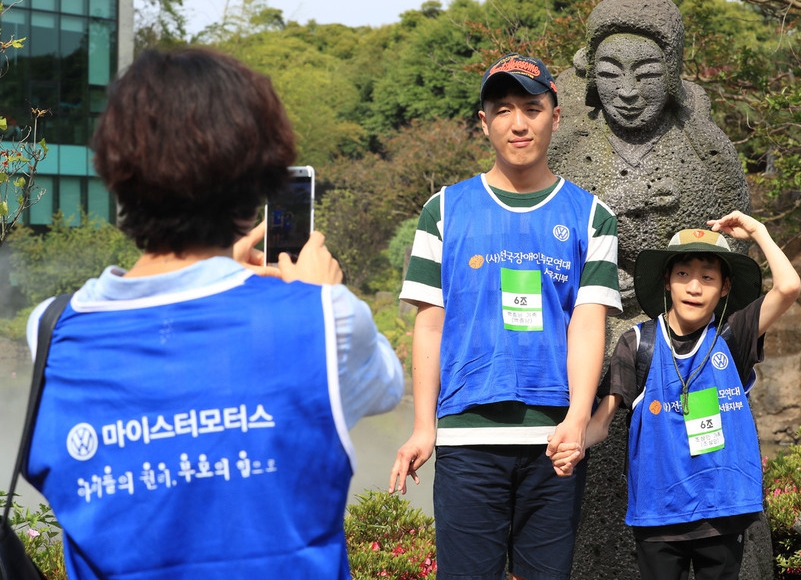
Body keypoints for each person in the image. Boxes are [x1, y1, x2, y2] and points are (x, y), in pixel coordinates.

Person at [22, 47, 404, 579]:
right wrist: (322, 293)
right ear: (258, 183)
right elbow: (387, 383)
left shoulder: (50, 329)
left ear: (114, 169)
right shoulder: (325, 320)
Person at [388, 53, 622, 580]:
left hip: (552, 442)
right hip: (467, 442)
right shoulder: (445, 209)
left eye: (533, 108)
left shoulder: (591, 215)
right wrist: (424, 426)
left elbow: (588, 324)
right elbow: (429, 322)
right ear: (484, 121)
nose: (519, 123)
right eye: (504, 109)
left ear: (555, 117)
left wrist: (578, 420)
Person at [555, 211, 801, 579]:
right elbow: (602, 422)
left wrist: (759, 232)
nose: (694, 287)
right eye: (682, 274)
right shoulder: (638, 343)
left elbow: (788, 288)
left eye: (708, 277)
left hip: (723, 509)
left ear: (725, 287)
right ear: (667, 282)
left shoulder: (732, 336)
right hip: (659, 513)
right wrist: (574, 443)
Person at [547, 0, 750, 288]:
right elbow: (538, 239)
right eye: (610, 74)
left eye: (647, 75)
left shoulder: (701, 144)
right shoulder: (569, 146)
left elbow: (735, 236)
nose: (628, 91)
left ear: (670, 75)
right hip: (588, 315)